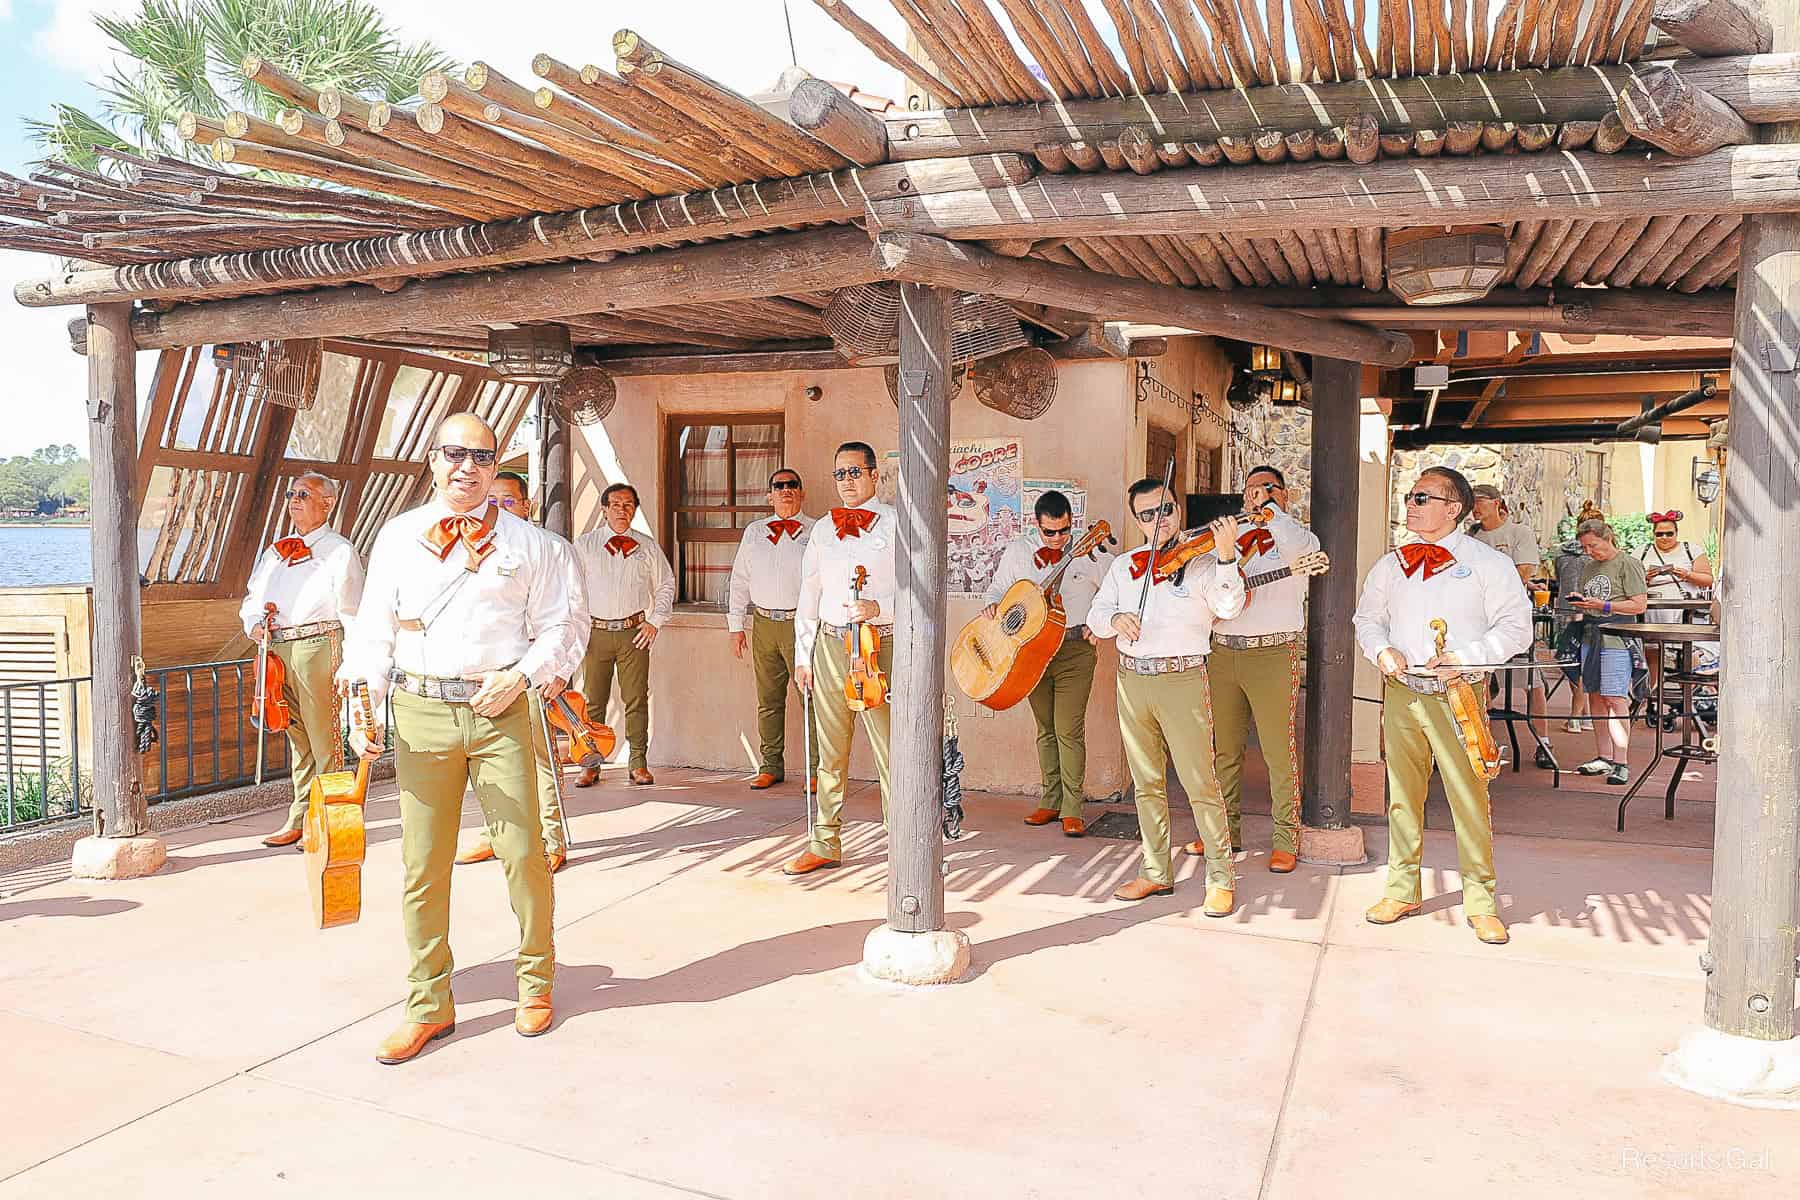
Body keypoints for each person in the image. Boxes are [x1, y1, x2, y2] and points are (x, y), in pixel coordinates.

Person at [341, 413, 583, 1064]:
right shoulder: (395, 538)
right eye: (454, 454)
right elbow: (372, 632)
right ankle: (429, 1004)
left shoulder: (538, 547)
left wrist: (524, 678)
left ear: (496, 463)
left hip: (499, 711)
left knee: (525, 854)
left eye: (480, 457)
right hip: (419, 712)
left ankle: (536, 984)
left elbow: (564, 629)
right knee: (422, 867)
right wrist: (361, 704)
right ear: (431, 459)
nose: (466, 468)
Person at [1353, 466, 1531, 946]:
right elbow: (1367, 618)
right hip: (1404, 691)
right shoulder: (1391, 564)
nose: (1410, 504)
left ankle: (1481, 901)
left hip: (1460, 694)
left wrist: (1468, 658)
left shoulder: (1489, 563)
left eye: (1422, 497)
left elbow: (1517, 628)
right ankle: (1401, 889)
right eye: (1410, 496)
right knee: (1401, 796)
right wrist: (1381, 650)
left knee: (1468, 798)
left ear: (1453, 509)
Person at [1088, 478, 1245, 913]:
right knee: (1146, 783)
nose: (1162, 520)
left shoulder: (1204, 562)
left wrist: (1228, 554)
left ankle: (1220, 875)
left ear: (1179, 511)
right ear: (1137, 521)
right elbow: (1096, 616)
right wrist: (1116, 618)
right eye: (1149, 514)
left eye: (1168, 509)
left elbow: (1229, 608)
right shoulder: (1125, 566)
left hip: (1183, 681)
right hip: (1132, 680)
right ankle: (1156, 872)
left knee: (1200, 781)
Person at [454, 471, 587, 874]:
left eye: (508, 500)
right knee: (487, 757)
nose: (497, 508)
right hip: (484, 671)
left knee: (539, 756)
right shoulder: (470, 548)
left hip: (534, 665)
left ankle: (551, 839)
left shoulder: (552, 548)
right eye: (490, 499)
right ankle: (497, 832)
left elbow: (576, 615)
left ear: (526, 505)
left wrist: (560, 669)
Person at [783, 442, 895, 877]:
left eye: (854, 472)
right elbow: (809, 594)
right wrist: (803, 654)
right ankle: (825, 841)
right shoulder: (824, 529)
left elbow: (918, 587)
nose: (847, 481)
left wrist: (878, 608)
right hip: (830, 645)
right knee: (830, 750)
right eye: (840, 475)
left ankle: (903, 844)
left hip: (878, 644)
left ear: (872, 476)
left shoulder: (896, 522)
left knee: (891, 749)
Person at [242, 472, 365, 848]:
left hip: (319, 643)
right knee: (297, 738)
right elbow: (252, 596)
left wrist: (354, 661)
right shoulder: (276, 551)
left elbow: (354, 610)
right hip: (278, 647)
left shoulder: (340, 550)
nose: (294, 500)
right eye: (291, 494)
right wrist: (253, 625)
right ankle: (300, 815)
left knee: (323, 738)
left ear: (326, 504)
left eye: (303, 495)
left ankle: (329, 821)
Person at [1206, 465, 1319, 871]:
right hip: (1224, 652)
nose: (1258, 495)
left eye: (1268, 489)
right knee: (1224, 749)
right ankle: (1224, 832)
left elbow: (1298, 552)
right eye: (1252, 489)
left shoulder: (1296, 537)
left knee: (1278, 751)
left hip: (1273, 653)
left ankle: (1286, 838)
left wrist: (1272, 512)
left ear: (1285, 495)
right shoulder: (1229, 540)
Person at [980, 489, 1112, 836]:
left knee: (1068, 729)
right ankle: (1050, 801)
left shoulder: (1090, 554)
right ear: (1035, 525)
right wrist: (993, 606)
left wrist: (1101, 625)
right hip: (1032, 653)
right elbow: (997, 589)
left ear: (1073, 524)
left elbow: (1116, 592)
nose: (1057, 538)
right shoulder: (1019, 552)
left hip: (1074, 650)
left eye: (1064, 530)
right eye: (1049, 532)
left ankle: (1073, 808)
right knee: (1046, 729)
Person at [572, 483, 674, 787]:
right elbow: (572, 589)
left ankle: (638, 763)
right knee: (593, 701)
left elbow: (666, 583)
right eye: (615, 504)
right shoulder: (585, 545)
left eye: (628, 505)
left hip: (634, 633)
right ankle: (591, 763)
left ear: (635, 509)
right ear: (604, 510)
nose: (622, 510)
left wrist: (655, 621)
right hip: (597, 632)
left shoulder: (647, 546)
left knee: (636, 699)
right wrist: (578, 628)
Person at [727, 467, 818, 790]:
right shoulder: (754, 532)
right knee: (768, 699)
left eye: (792, 484)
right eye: (779, 486)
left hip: (802, 624)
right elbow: (739, 579)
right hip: (764, 623)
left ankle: (816, 771)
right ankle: (770, 765)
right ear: (769, 495)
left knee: (810, 698)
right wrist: (736, 624)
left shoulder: (817, 531)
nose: (786, 490)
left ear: (802, 492)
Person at [1468, 484, 1551, 768]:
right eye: (1472, 502)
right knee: (1478, 679)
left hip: (1510, 618)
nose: (1475, 508)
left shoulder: (1518, 532)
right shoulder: (1471, 536)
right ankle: (1482, 744)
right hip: (1478, 620)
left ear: (1496, 503)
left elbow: (1523, 572)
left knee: (1530, 681)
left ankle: (1543, 742)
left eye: (1480, 501)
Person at [1568, 519, 1649, 785]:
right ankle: (1603, 755)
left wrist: (1603, 606)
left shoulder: (1628, 564)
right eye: (1585, 547)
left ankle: (1621, 760)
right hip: (1591, 634)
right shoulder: (1589, 567)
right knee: (1595, 697)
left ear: (1608, 538)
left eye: (1593, 545)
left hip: (1617, 636)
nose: (1590, 551)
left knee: (1615, 698)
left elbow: (1638, 605)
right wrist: (1582, 603)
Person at [1637, 510, 1714, 692]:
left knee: (1685, 652)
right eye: (1659, 534)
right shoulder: (1642, 551)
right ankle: (1654, 693)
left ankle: (1687, 696)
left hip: (1683, 612)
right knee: (1652, 651)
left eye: (1669, 533)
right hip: (1652, 612)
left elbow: (1707, 579)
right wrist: (1645, 578)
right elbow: (1628, 580)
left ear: (1676, 533)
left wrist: (1687, 575)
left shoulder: (1691, 549)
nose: (1664, 537)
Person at [1551, 533, 1592, 733]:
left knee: (1571, 663)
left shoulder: (1560, 555)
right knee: (1583, 664)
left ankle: (1577, 715)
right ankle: (1582, 715)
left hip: (1566, 610)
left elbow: (1557, 579)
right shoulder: (1595, 556)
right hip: (1589, 613)